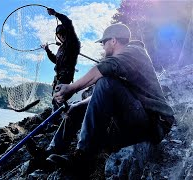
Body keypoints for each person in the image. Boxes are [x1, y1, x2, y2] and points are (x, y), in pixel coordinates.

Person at [45, 23, 175, 175]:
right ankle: (50, 153)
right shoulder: (121, 62)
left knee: (104, 81)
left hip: (154, 122)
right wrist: (77, 107)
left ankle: (83, 160)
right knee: (76, 107)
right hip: (136, 116)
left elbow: (104, 71)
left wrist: (71, 88)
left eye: (103, 43)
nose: (103, 47)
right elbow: (104, 94)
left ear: (113, 41)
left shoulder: (134, 51)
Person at [41, 8, 81, 111]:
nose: (61, 37)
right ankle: (62, 117)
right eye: (59, 36)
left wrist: (55, 14)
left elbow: (68, 23)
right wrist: (47, 50)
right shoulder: (61, 48)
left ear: (66, 33)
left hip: (66, 75)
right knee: (56, 98)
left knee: (58, 98)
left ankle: (62, 118)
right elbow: (56, 60)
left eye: (62, 34)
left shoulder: (72, 42)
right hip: (58, 75)